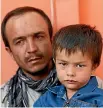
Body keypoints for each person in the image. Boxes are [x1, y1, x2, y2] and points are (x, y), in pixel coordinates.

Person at [0, 6, 103, 107]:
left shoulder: (98, 87)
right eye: (20, 41)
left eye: (39, 37)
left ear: (51, 40)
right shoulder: (3, 99)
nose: (32, 49)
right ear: (10, 52)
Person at [34, 24, 103, 107]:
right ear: (55, 62)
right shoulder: (47, 98)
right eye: (63, 64)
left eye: (79, 66)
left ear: (94, 66)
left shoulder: (99, 100)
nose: (70, 73)